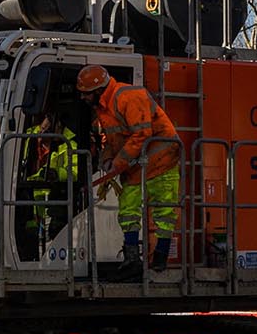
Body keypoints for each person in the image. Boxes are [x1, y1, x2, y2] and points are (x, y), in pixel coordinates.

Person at [75, 64, 179, 279]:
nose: (82, 98)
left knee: (164, 209)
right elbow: (112, 139)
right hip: (135, 162)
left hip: (162, 158)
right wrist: (107, 159)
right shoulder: (103, 107)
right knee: (128, 209)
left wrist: (118, 163)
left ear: (98, 90)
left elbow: (142, 134)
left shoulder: (128, 96)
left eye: (85, 93)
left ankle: (160, 257)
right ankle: (132, 258)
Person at [19, 112, 80, 259]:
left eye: (48, 130)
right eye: (42, 129)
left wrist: (57, 173)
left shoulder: (69, 145)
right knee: (29, 238)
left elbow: (75, 172)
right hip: (28, 200)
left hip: (52, 200)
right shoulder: (26, 139)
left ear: (59, 127)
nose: (43, 133)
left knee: (50, 241)